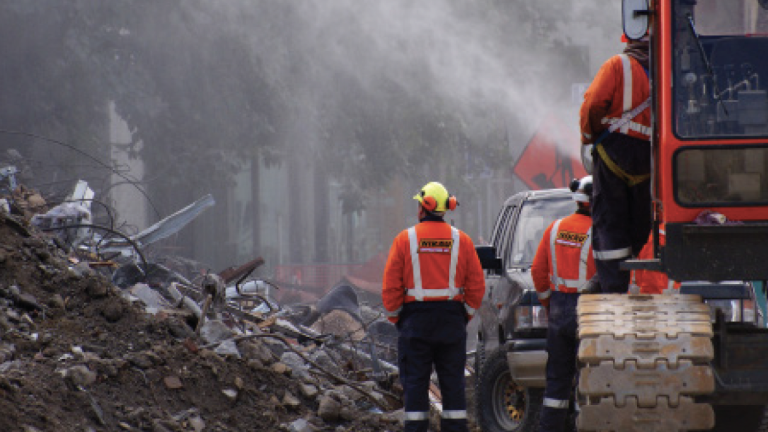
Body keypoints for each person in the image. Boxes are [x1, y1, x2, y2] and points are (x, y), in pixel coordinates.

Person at [382, 181, 485, 432]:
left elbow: (391, 287)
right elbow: (476, 287)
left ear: (424, 207)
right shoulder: (463, 241)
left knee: (416, 386)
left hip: (415, 321)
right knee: (453, 387)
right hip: (452, 320)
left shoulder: (404, 240)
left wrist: (398, 318)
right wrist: (464, 316)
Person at [580, 33, 652, 294]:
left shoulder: (616, 66)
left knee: (610, 218)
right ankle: (632, 276)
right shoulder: (670, 69)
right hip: (651, 157)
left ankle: (611, 283)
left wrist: (589, 136)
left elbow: (593, 104)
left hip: (614, 152)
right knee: (642, 219)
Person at [532, 176, 598, 432]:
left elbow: (539, 271)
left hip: (559, 309)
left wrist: (549, 303)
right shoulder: (602, 232)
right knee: (590, 379)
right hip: (591, 312)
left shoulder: (555, 228)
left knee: (556, 384)